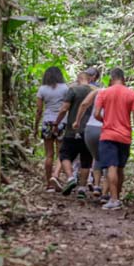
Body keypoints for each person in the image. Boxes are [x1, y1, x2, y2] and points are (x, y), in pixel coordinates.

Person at [93, 68, 134, 210]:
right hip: (124, 136)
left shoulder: (103, 92)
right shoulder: (131, 94)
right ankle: (118, 197)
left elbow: (96, 113)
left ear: (111, 78)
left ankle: (114, 199)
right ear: (123, 78)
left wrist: (106, 121)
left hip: (108, 135)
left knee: (111, 166)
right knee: (120, 168)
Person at [54, 70, 94, 198]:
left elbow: (64, 108)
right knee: (86, 160)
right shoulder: (95, 91)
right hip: (88, 130)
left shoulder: (73, 90)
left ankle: (71, 177)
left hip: (72, 130)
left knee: (64, 154)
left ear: (78, 79)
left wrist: (56, 122)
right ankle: (82, 188)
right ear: (90, 80)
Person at [34, 66, 68, 192]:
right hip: (61, 122)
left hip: (47, 122)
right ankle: (56, 177)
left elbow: (39, 110)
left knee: (48, 154)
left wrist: (35, 126)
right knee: (60, 153)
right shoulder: (65, 88)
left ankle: (49, 184)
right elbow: (67, 105)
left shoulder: (42, 89)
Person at [75, 67, 105, 198]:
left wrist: (76, 120)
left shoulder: (75, 88)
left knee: (83, 155)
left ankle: (80, 180)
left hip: (88, 125)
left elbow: (83, 105)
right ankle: (95, 182)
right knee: (96, 157)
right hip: (101, 126)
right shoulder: (100, 90)